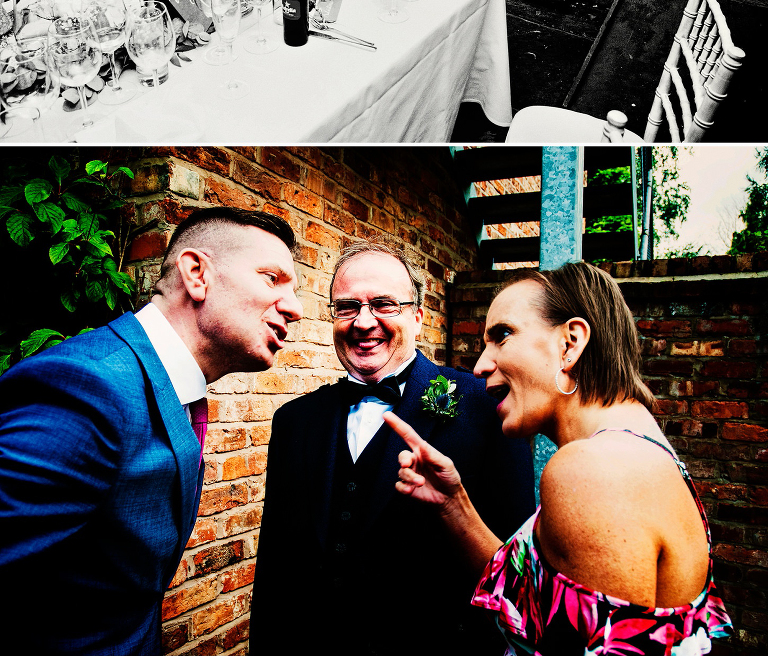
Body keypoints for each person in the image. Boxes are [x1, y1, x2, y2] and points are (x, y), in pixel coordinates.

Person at [385, 262, 733, 656]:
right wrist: (454, 505)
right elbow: (541, 607)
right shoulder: (638, 449)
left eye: (502, 335)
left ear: (570, 343)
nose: (480, 365)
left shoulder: (591, 469)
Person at [0, 207, 302, 656]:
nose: (295, 308)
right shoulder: (87, 388)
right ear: (197, 273)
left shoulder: (172, 391)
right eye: (272, 278)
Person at [251, 240, 536, 656]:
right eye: (347, 307)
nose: (363, 322)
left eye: (384, 304)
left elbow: (516, 559)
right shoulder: (295, 421)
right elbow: (276, 569)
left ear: (417, 317)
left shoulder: (486, 406)